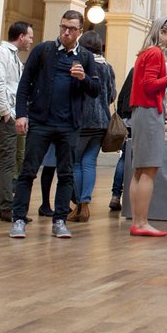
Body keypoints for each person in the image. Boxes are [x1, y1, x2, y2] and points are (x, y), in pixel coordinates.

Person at [9, 10, 101, 239]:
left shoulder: (87, 58)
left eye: (71, 28)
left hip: (69, 124)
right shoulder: (43, 51)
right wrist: (21, 114)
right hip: (41, 121)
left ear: (80, 31)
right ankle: (19, 219)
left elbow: (96, 90)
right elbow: (24, 84)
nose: (66, 32)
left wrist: (84, 79)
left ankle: (59, 220)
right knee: (28, 171)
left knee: (66, 173)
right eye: (63, 27)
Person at [128, 16, 167, 238]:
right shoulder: (154, 53)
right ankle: (141, 222)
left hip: (142, 111)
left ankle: (137, 221)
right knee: (148, 169)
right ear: (161, 32)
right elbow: (150, 86)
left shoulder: (146, 52)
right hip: (149, 111)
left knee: (140, 170)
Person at [0, 21, 32, 221]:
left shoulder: (11, 55)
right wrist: (6, 113)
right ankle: (6, 207)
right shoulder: (2, 53)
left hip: (5, 113)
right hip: (5, 114)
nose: (30, 41)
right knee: (7, 161)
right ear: (21, 36)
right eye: (29, 36)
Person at [68, 30, 116, 223]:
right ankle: (85, 204)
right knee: (89, 163)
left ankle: (79, 205)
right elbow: (112, 94)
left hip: (82, 119)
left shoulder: (81, 63)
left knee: (76, 162)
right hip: (102, 120)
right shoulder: (108, 67)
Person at [110, 67, 134, 211]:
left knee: (124, 158)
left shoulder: (133, 70)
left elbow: (122, 94)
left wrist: (121, 116)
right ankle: (131, 200)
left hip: (126, 119)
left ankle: (115, 195)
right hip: (138, 119)